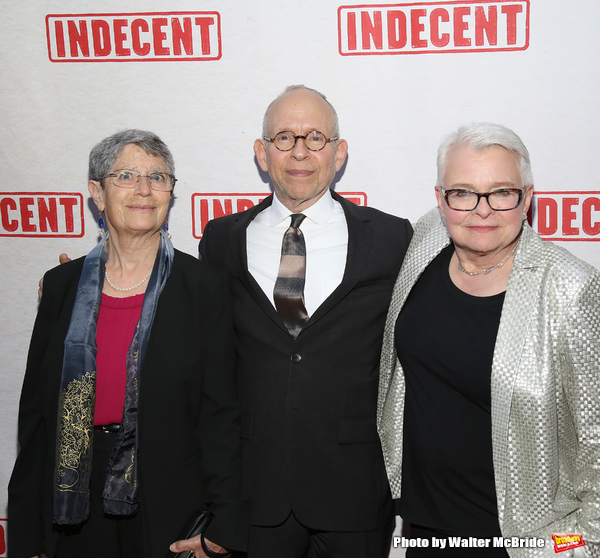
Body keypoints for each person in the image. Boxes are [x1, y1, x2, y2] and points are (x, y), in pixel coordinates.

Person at [8, 130, 246, 558]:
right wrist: (25, 533)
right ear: (96, 193)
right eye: (126, 176)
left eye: (158, 177)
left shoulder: (203, 288)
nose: (144, 190)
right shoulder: (62, 287)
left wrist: (225, 524)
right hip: (70, 497)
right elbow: (37, 420)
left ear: (171, 194)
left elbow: (221, 417)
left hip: (170, 498)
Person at [199, 85, 413, 557]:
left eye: (316, 137)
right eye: (284, 138)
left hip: (355, 491)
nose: (300, 151)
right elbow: (203, 356)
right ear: (262, 153)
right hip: (255, 494)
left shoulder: (393, 238)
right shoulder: (220, 240)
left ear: (339, 154)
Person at [377, 123, 600, 556]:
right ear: (440, 200)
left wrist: (572, 548)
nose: (483, 210)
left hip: (522, 545)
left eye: (502, 192)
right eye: (463, 193)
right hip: (425, 531)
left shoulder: (571, 289)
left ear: (528, 198)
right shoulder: (426, 241)